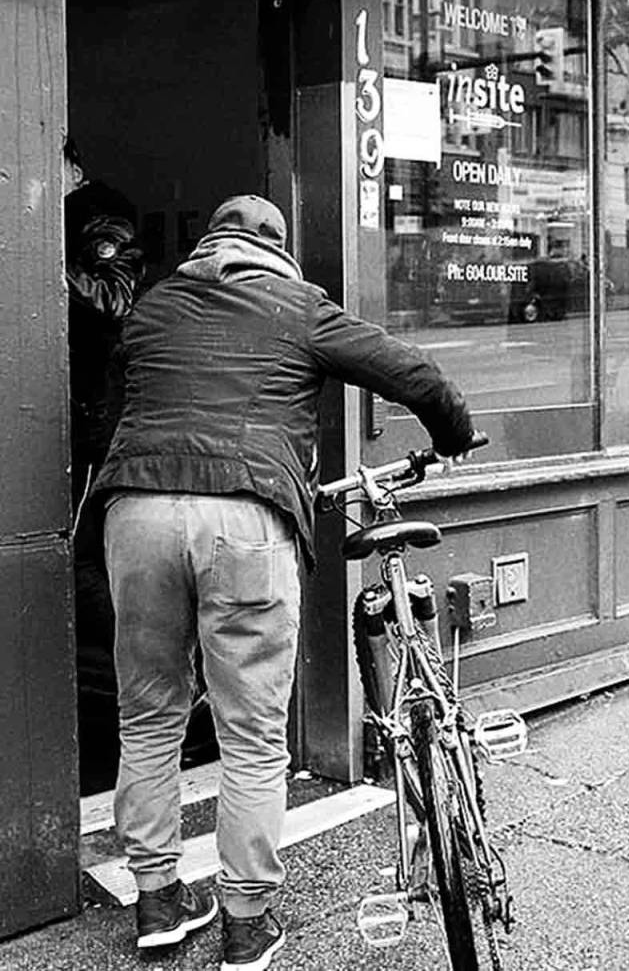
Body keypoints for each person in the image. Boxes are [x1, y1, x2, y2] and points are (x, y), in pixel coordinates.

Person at [91, 194, 475, 971]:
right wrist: (453, 433)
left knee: (149, 716)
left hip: (137, 514)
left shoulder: (154, 308)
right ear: (277, 251)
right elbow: (409, 372)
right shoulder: (298, 306)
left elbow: (109, 411)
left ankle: (158, 901)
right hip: (245, 517)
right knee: (252, 731)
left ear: (208, 247)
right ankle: (246, 921)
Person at [63, 136, 146, 793]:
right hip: (70, 415)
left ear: (71, 166)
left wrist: (41, 259)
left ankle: (149, 671)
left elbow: (113, 299)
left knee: (75, 556)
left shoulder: (100, 215)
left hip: (89, 424)